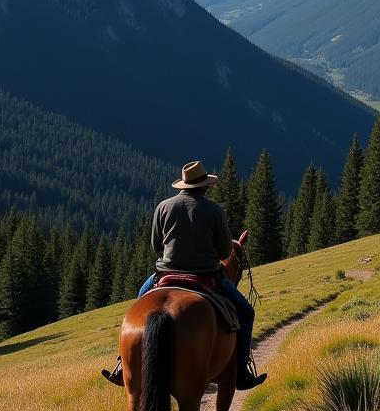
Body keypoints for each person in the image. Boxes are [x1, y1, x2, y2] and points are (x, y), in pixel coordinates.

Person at [102, 160, 266, 391]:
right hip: (207, 274)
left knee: (140, 301)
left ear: (183, 185)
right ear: (204, 186)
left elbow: (155, 246)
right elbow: (225, 252)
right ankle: (242, 370)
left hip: (166, 274)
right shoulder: (214, 210)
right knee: (246, 312)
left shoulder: (164, 207)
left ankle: (122, 364)